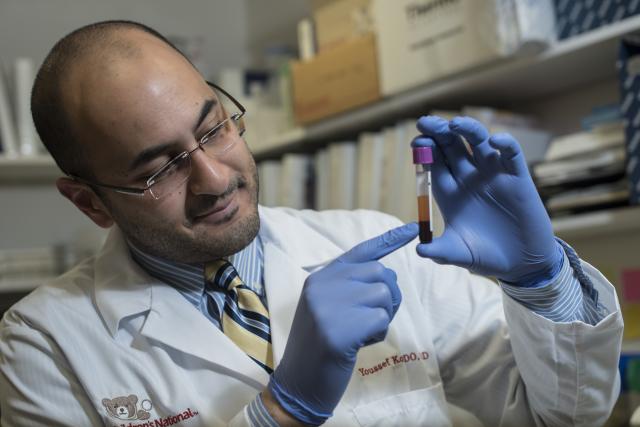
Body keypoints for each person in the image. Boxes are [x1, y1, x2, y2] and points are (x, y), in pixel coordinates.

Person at [0, 20, 623, 427]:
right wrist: (280, 410)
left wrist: (541, 283)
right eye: (158, 170)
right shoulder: (43, 343)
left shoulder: (373, 244)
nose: (215, 179)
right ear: (90, 202)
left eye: (213, 129)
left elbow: (566, 418)